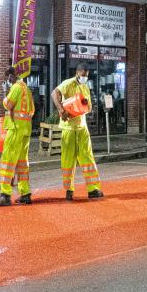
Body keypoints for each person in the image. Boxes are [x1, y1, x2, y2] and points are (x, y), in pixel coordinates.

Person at [52, 65, 103, 200]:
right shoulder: (68, 84)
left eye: (86, 75)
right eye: (82, 74)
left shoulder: (85, 87)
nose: (84, 77)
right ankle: (69, 190)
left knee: (88, 158)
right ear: (77, 73)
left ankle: (93, 189)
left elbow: (88, 106)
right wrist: (61, 110)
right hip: (69, 128)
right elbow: (54, 93)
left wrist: (87, 107)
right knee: (68, 160)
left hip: (82, 127)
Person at [0, 67, 35, 207]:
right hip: (25, 130)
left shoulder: (16, 88)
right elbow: (32, 110)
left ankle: (5, 195)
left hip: (15, 129)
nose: (7, 81)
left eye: (7, 78)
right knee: (22, 163)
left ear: (11, 76)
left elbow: (8, 105)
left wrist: (5, 92)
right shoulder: (26, 89)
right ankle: (25, 194)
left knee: (8, 161)